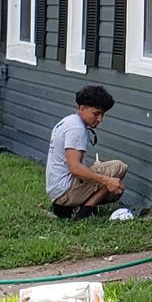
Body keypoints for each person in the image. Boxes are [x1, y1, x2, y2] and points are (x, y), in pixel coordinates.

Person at [47, 85, 129, 219]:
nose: (100, 119)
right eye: (96, 114)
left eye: (102, 114)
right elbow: (75, 168)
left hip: (56, 189)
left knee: (108, 178)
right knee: (119, 167)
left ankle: (67, 209)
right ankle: (84, 211)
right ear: (82, 108)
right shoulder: (76, 128)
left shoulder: (68, 121)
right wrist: (107, 180)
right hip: (64, 192)